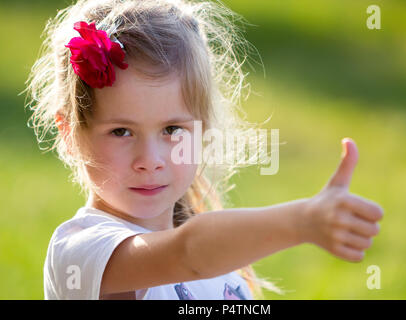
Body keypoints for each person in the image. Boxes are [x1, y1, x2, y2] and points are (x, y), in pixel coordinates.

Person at [24, 0, 384, 300]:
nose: (150, 160)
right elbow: (188, 253)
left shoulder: (225, 263)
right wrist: (301, 222)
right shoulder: (80, 252)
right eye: (121, 131)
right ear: (70, 134)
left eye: (172, 129)